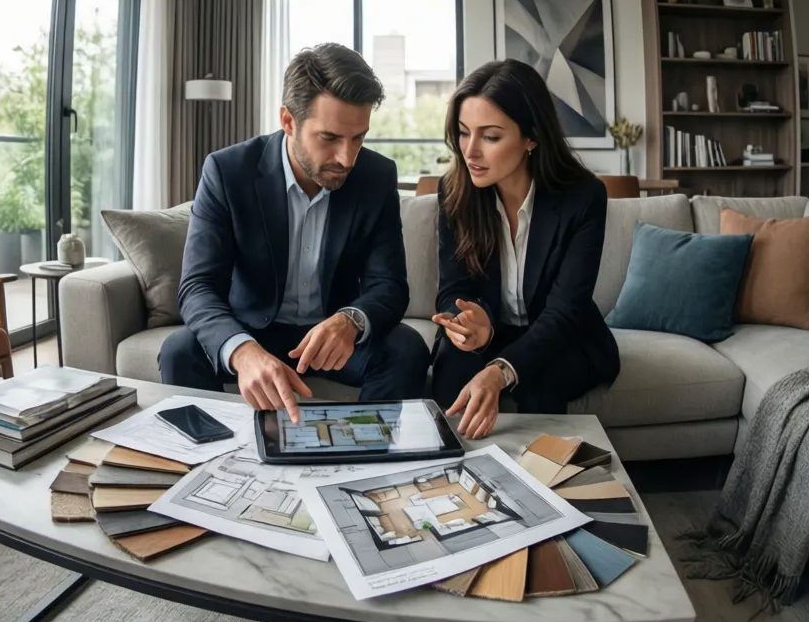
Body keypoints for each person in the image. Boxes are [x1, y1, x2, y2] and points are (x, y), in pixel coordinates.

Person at [159, 43, 430, 419]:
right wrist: (242, 352)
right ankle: (213, 452)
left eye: (358, 138)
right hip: (252, 331)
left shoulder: (376, 176)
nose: (347, 158)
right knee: (179, 351)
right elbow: (197, 287)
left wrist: (351, 320)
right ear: (288, 121)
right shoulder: (228, 171)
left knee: (407, 348)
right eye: (330, 138)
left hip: (334, 337)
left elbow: (390, 285)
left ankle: (367, 449)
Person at [431, 59, 620, 439]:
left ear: (530, 137)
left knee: (541, 376)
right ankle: (449, 465)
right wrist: (471, 321)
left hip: (561, 337)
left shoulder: (583, 197)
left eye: (490, 137)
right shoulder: (454, 191)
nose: (470, 151)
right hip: (492, 333)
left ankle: (538, 473)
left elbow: (565, 311)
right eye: (464, 133)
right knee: (452, 363)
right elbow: (452, 288)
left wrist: (501, 370)